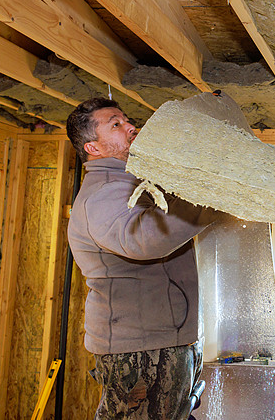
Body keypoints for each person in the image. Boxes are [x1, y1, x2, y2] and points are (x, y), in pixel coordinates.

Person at [66, 97, 215, 419]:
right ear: (94, 148)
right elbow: (143, 240)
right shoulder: (104, 191)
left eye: (127, 119)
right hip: (140, 348)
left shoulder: (132, 181)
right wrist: (209, 200)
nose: (131, 127)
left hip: (162, 341)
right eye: (115, 125)